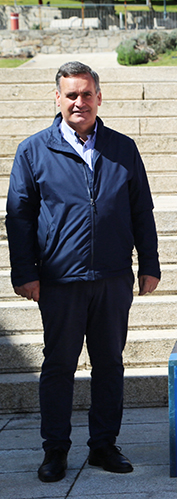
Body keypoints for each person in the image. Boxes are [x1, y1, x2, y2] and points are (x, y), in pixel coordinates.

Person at [6, 62, 160, 482]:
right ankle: (55, 449)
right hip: (60, 280)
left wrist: (149, 263)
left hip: (113, 277)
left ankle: (104, 446)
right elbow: (18, 217)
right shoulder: (33, 150)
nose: (79, 102)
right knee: (58, 367)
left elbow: (140, 209)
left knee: (109, 364)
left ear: (99, 97)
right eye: (71, 94)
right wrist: (25, 272)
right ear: (57, 98)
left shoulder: (122, 147)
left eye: (86, 94)